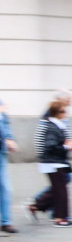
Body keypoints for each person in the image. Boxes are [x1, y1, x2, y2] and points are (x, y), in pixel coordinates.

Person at [30, 89, 72, 219]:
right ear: (61, 100)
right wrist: (44, 156)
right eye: (69, 99)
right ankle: (42, 205)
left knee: (62, 182)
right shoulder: (51, 114)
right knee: (61, 183)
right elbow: (42, 136)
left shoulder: (62, 112)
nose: (70, 102)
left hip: (59, 155)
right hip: (53, 157)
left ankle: (43, 206)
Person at [0, 98, 17, 233]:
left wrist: (10, 139)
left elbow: (5, 123)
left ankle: (6, 222)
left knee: (5, 187)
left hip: (1, 152)